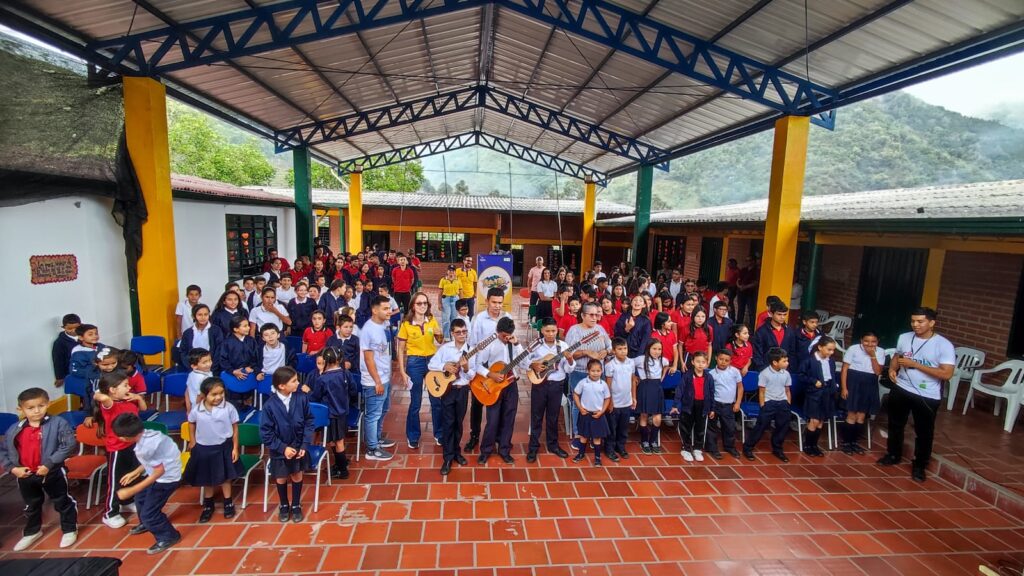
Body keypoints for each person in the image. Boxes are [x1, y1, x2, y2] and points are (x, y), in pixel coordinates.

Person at [877, 307, 955, 482]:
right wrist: (892, 369)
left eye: (920, 321)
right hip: (902, 387)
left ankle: (919, 465)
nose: (915, 325)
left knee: (924, 432)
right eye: (913, 321)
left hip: (927, 394)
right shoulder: (904, 337)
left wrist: (916, 365)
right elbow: (898, 355)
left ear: (932, 323)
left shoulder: (944, 345)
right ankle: (893, 454)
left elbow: (947, 374)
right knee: (895, 424)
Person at [1, 388, 78, 551]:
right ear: (20, 409)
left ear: (48, 404)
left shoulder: (58, 423)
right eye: (30, 408)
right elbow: (4, 450)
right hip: (25, 475)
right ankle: (32, 531)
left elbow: (68, 445)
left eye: (41, 406)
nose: (37, 411)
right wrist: (13, 469)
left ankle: (70, 528)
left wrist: (49, 464)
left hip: (52, 472)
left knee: (62, 501)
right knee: (31, 504)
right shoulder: (15, 428)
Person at [112, 413, 182, 555]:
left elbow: (159, 471)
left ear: (125, 438)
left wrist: (131, 490)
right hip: (159, 472)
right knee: (141, 498)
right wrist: (135, 473)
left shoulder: (145, 448)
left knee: (150, 513)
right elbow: (154, 461)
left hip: (166, 479)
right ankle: (146, 523)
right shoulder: (148, 434)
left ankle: (168, 536)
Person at [182, 377, 244, 522]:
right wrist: (192, 440)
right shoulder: (197, 409)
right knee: (206, 478)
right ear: (204, 395)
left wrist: (235, 448)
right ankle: (208, 505)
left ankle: (228, 502)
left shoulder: (228, 408)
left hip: (223, 446)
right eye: (214, 394)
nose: (218, 397)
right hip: (203, 447)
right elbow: (191, 423)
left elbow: (235, 428)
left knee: (225, 477)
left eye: (221, 393)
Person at [92, 370, 147, 528]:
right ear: (112, 390)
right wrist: (100, 392)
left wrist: (137, 397)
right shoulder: (110, 404)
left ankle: (127, 501)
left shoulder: (129, 401)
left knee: (133, 476)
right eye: (125, 385)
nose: (129, 387)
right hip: (117, 448)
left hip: (133, 445)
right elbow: (100, 396)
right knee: (115, 481)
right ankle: (110, 513)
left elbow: (143, 408)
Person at [260, 366, 314, 522]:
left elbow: (309, 421)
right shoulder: (269, 405)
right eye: (294, 381)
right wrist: (282, 448)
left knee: (297, 474)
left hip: (298, 446)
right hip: (280, 450)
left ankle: (296, 504)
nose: (298, 383)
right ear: (281, 386)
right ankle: (284, 504)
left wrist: (304, 444)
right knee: (281, 477)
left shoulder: (301, 398)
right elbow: (266, 432)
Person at [465, 288, 511, 452]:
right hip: (482, 369)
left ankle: (498, 438)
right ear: (487, 302)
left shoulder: (507, 318)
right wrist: (473, 370)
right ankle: (474, 436)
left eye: (500, 302)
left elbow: (510, 345)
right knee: (477, 405)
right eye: (494, 302)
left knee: (498, 405)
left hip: (500, 371)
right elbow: (473, 346)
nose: (497, 306)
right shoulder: (478, 320)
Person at [473, 317, 523, 464]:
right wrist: (490, 374)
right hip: (493, 386)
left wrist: (517, 344)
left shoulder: (514, 343)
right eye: (503, 336)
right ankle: (486, 450)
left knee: (509, 418)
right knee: (492, 419)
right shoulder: (490, 344)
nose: (506, 338)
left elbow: (524, 361)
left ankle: (504, 449)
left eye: (508, 335)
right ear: (497, 332)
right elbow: (477, 365)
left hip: (511, 384)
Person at [397, 292, 443, 449]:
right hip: (414, 363)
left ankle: (440, 433)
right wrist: (402, 372)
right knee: (415, 402)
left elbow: (440, 339)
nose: (423, 306)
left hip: (432, 362)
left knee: (436, 400)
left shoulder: (431, 320)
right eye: (419, 303)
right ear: (413, 306)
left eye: (425, 303)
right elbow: (401, 349)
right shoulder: (406, 324)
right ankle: (413, 435)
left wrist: (440, 334)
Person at [526, 318, 574, 462]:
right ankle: (533, 447)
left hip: (556, 386)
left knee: (553, 417)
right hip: (539, 384)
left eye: (553, 331)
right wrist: (533, 365)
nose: (551, 334)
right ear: (542, 331)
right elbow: (523, 360)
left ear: (557, 330)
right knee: (536, 416)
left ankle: (553, 445)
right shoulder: (536, 345)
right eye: (547, 331)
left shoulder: (563, 346)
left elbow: (567, 369)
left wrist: (570, 360)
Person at [564, 302, 612, 439]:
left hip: (597, 374)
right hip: (580, 372)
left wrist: (605, 351)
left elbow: (610, 347)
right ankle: (578, 433)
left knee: (597, 401)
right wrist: (586, 352)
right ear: (583, 315)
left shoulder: (600, 329)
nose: (594, 318)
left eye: (596, 315)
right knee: (578, 404)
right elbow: (568, 353)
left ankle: (594, 433)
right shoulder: (574, 330)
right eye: (591, 315)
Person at [431, 318, 472, 475]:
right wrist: (444, 366)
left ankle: (456, 452)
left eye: (464, 331)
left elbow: (471, 376)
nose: (462, 335)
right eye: (458, 332)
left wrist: (467, 368)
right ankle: (447, 458)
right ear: (452, 333)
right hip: (447, 390)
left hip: (462, 390)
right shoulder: (445, 349)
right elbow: (431, 364)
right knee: (448, 423)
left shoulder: (471, 350)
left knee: (459, 423)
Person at [361, 296, 398, 461]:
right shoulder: (368, 330)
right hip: (374, 380)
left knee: (383, 409)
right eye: (385, 308)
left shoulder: (384, 324)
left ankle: (376, 438)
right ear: (374, 310)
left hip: (385, 376)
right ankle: (372, 448)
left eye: (389, 308)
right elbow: (368, 359)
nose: (389, 311)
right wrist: (377, 381)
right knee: (373, 414)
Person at [310, 348, 356, 479]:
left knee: (334, 442)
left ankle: (342, 469)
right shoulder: (346, 373)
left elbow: (315, 397)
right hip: (343, 412)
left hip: (329, 414)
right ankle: (341, 462)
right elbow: (353, 391)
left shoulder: (322, 379)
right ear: (339, 359)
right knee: (339, 440)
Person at [741, 347, 793, 462]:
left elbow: (787, 390)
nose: (787, 363)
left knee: (782, 426)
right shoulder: (765, 374)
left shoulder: (786, 374)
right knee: (761, 426)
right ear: (775, 362)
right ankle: (748, 447)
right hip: (769, 403)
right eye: (784, 361)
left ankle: (778, 449)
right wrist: (763, 405)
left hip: (782, 403)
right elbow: (762, 391)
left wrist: (787, 403)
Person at [840, 332, 885, 454]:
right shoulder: (853, 349)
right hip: (854, 381)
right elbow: (844, 369)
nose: (869, 344)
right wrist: (844, 388)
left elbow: (877, 372)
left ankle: (854, 442)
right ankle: (846, 443)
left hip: (869, 383)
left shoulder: (880, 351)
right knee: (852, 414)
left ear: (877, 342)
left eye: (873, 341)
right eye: (866, 341)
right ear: (861, 340)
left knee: (861, 416)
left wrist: (873, 356)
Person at [671, 351, 715, 462]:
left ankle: (697, 448)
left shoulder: (709, 377)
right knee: (686, 427)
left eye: (703, 362)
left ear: (706, 364)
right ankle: (685, 448)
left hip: (703, 407)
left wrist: (712, 408)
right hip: (688, 406)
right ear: (692, 362)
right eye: (698, 362)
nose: (700, 364)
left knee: (700, 428)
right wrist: (676, 404)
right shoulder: (687, 376)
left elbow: (712, 392)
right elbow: (679, 390)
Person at [798, 336, 838, 457]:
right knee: (814, 420)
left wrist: (833, 388)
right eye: (829, 349)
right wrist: (813, 381)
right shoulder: (809, 361)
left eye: (833, 350)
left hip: (827, 392)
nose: (831, 352)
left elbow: (832, 375)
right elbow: (801, 375)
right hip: (815, 393)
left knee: (821, 420)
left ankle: (815, 445)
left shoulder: (831, 361)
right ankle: (808, 445)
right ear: (820, 347)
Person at [572, 359, 611, 467]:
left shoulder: (603, 384)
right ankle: (581, 453)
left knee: (597, 438)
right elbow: (575, 394)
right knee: (583, 436)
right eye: (593, 371)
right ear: (587, 371)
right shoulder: (583, 382)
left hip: (597, 415)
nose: (595, 373)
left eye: (598, 371)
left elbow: (607, 398)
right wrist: (580, 407)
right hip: (585, 414)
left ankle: (597, 457)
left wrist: (602, 411)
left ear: (601, 371)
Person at [706, 349, 743, 459]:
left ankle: (729, 447)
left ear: (730, 361)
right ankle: (712, 448)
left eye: (726, 360)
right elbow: (709, 392)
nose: (723, 362)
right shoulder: (711, 374)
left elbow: (740, 388)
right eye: (721, 359)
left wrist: (738, 403)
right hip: (715, 404)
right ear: (716, 358)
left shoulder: (735, 372)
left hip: (729, 405)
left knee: (729, 427)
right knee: (712, 427)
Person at [634, 339, 669, 454]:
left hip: (657, 388)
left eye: (659, 349)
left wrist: (662, 378)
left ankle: (653, 441)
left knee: (657, 418)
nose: (657, 351)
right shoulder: (640, 359)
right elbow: (629, 365)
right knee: (644, 415)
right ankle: (644, 441)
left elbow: (667, 366)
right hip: (645, 387)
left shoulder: (663, 360)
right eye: (654, 348)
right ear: (648, 348)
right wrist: (634, 377)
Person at [604, 338, 635, 460]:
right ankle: (609, 448)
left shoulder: (631, 363)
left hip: (626, 402)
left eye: (625, 348)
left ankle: (620, 446)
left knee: (623, 427)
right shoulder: (610, 365)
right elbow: (608, 385)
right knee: (612, 427)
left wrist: (634, 397)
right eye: (620, 349)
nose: (623, 351)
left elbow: (633, 380)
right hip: (615, 403)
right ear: (614, 351)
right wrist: (610, 402)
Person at [752, 302, 797, 372]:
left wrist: (790, 370)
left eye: (784, 314)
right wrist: (763, 370)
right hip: (766, 370)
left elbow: (792, 353)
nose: (782, 317)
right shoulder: (761, 331)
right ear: (771, 314)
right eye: (779, 314)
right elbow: (757, 353)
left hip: (784, 371)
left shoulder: (790, 331)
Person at [178, 304, 223, 373]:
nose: (203, 317)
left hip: (212, 368)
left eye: (206, 314)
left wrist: (211, 367)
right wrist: (192, 366)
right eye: (200, 315)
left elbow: (219, 350)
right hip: (194, 369)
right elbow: (183, 351)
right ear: (193, 316)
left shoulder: (216, 330)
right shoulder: (188, 333)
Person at [615, 294, 652, 359]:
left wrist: (639, 357)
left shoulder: (646, 321)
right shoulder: (623, 316)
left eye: (640, 301)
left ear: (644, 305)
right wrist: (626, 330)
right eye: (635, 300)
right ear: (631, 303)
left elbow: (645, 341)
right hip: (623, 352)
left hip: (637, 353)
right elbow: (617, 334)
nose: (637, 302)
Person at [52, 314, 81, 388]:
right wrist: (59, 377)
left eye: (76, 327)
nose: (73, 331)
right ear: (63, 327)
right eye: (70, 328)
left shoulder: (85, 337)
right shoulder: (59, 342)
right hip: (72, 373)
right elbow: (58, 360)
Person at [735, 256, 760, 325]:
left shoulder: (756, 271)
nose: (747, 262)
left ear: (753, 261)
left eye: (749, 260)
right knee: (740, 309)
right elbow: (738, 280)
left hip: (750, 293)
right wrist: (739, 286)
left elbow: (756, 283)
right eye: (746, 260)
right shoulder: (743, 269)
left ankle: (752, 327)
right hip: (741, 292)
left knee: (751, 311)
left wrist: (745, 287)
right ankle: (738, 325)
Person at [438, 265, 461, 340]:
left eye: (453, 271)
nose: (451, 272)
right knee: (446, 319)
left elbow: (460, 292)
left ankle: (453, 335)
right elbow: (440, 293)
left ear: (455, 272)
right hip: (446, 300)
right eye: (450, 270)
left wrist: (461, 303)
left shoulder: (458, 280)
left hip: (455, 299)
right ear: (447, 271)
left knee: (454, 319)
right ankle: (446, 337)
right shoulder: (443, 280)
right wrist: (439, 303)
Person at [456, 256, 478, 320]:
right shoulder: (457, 271)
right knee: (461, 314)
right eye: (468, 260)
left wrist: (475, 293)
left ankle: (469, 328)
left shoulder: (473, 272)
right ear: (463, 261)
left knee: (470, 314)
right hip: (461, 297)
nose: (469, 262)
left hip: (470, 297)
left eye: (471, 261)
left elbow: (475, 283)